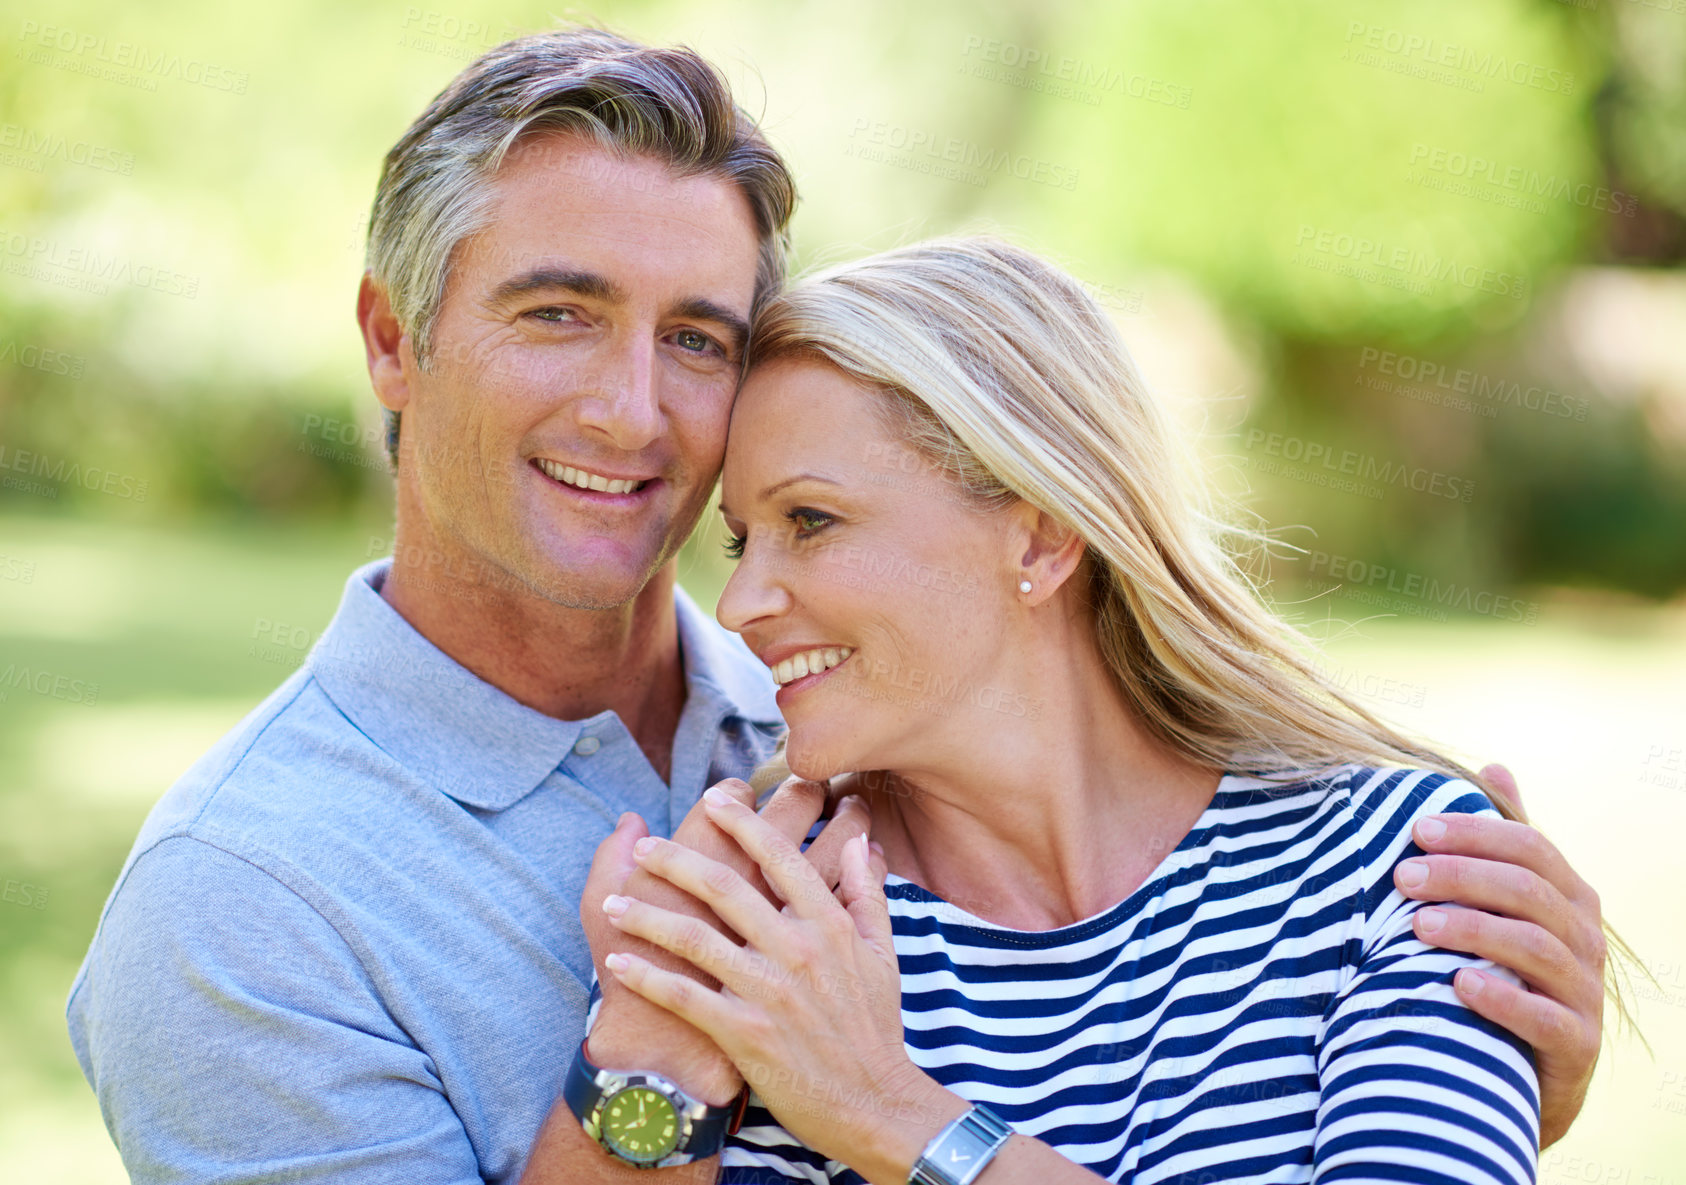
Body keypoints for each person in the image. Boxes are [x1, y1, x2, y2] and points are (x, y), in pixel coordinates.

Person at [63, 27, 1599, 1185]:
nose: (632, 411)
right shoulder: (234, 914)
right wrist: (652, 1078)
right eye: (557, 313)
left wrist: (1482, 1078)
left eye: (699, 339)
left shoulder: (837, 838)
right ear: (394, 344)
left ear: (1041, 533)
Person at [591, 236, 1608, 1184]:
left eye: (810, 521)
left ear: (1038, 540)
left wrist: (890, 1115)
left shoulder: (1402, 866)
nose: (740, 603)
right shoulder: (791, 925)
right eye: (740, 541)